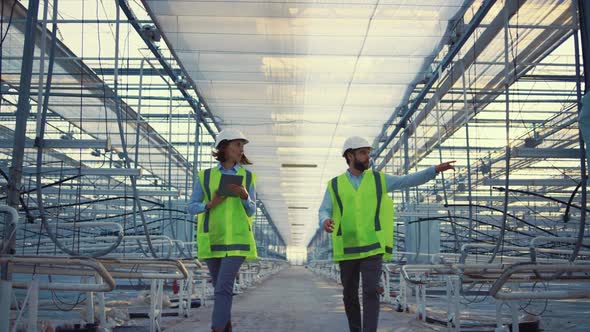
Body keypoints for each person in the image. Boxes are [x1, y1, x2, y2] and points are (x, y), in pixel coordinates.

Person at [318, 136, 455, 332]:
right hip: (347, 247)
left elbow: (407, 180)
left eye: (368, 152)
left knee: (371, 292)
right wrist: (324, 220)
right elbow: (324, 209)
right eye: (363, 153)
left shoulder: (379, 179)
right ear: (350, 156)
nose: (368, 157)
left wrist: (433, 170)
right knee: (349, 295)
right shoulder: (335, 185)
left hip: (373, 246)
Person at [188, 128, 257, 332]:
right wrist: (210, 204)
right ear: (224, 147)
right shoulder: (205, 176)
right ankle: (226, 328)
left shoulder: (248, 177)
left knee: (223, 288)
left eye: (242, 145)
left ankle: (216, 328)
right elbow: (192, 206)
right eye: (237, 144)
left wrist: (245, 196)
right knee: (220, 289)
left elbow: (252, 211)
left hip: (237, 241)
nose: (241, 148)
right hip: (213, 239)